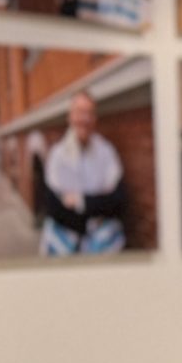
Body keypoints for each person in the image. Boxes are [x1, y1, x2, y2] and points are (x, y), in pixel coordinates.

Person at [38, 90, 129, 255]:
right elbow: (53, 207)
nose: (84, 119)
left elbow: (118, 201)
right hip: (68, 232)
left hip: (100, 235)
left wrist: (80, 201)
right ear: (70, 117)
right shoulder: (57, 155)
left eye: (89, 113)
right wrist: (96, 207)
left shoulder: (106, 152)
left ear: (95, 119)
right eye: (80, 112)